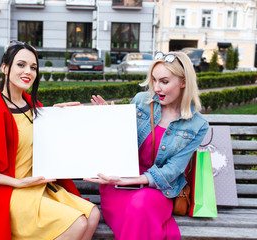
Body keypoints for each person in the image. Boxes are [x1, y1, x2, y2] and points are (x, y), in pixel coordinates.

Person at [0, 40, 100, 240]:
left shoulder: (31, 105)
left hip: (38, 187)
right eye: (21, 65)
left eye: (33, 67)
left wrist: (55, 114)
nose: (28, 71)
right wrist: (17, 183)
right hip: (12, 194)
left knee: (93, 214)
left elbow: (38, 136)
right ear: (4, 68)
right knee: (78, 223)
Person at [85, 51, 209, 239]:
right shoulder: (142, 101)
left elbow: (173, 169)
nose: (156, 88)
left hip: (157, 188)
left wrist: (136, 180)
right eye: (154, 80)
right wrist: (110, 119)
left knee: (141, 204)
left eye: (164, 82)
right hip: (119, 187)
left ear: (184, 82)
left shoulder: (197, 125)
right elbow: (121, 142)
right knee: (138, 210)